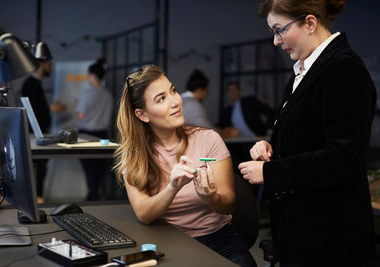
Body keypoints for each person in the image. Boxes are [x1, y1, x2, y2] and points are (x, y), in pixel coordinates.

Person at [239, 0, 376, 266]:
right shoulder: (303, 70)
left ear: (310, 23)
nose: (276, 41)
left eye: (280, 30)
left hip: (330, 233)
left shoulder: (344, 68)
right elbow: (309, 136)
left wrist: (270, 173)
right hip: (302, 227)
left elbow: (344, 157)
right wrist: (271, 147)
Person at [113, 65, 257, 267]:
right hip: (168, 241)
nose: (175, 101)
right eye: (161, 99)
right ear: (142, 115)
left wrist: (211, 197)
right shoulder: (135, 155)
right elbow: (144, 213)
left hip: (219, 238)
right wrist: (173, 187)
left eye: (172, 91)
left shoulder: (208, 139)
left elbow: (229, 204)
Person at [21, 42, 66, 199]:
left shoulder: (35, 84)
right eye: (49, 64)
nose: (51, 68)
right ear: (42, 64)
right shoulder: (30, 85)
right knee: (37, 171)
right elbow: (30, 111)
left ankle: (38, 198)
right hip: (34, 137)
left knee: (41, 171)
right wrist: (51, 109)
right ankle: (37, 200)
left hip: (40, 136)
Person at [76, 58, 113, 201]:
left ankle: (92, 199)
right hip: (103, 135)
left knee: (89, 171)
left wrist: (76, 106)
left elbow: (81, 116)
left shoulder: (87, 94)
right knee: (99, 170)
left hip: (86, 135)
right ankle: (94, 198)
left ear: (92, 75)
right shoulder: (108, 94)